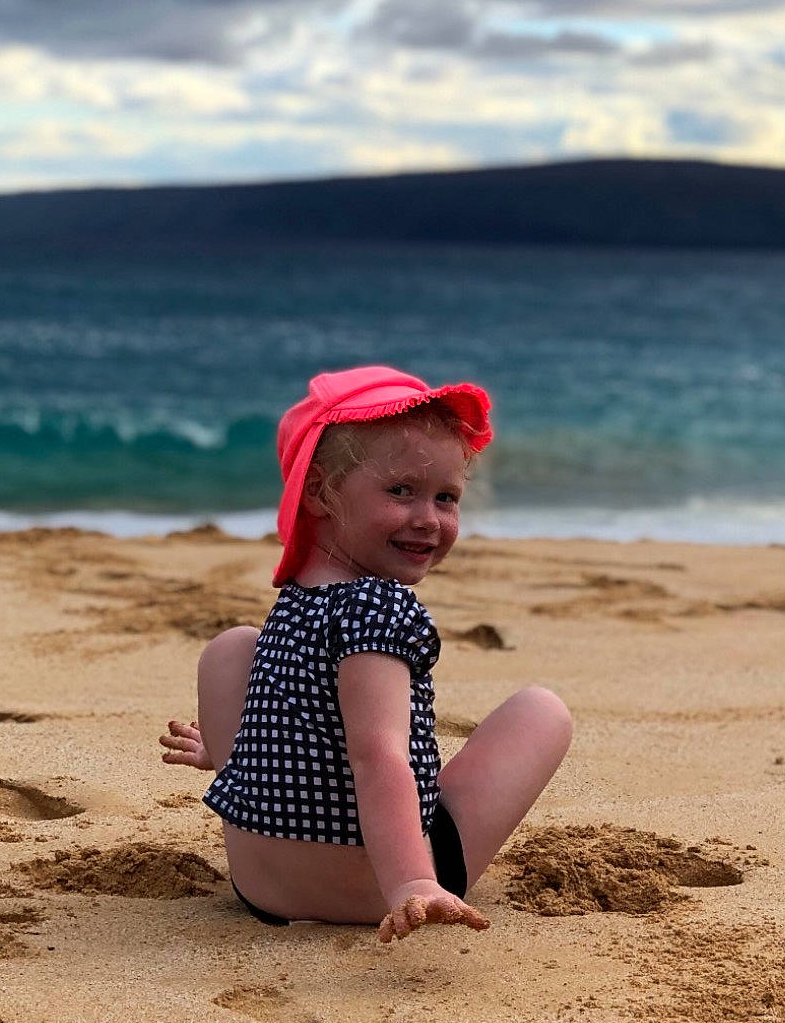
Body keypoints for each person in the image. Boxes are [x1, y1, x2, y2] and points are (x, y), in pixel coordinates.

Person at [159, 365, 572, 941]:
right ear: (319, 490)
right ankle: (410, 874)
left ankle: (254, 798)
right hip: (370, 892)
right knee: (541, 711)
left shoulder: (297, 602)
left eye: (446, 498)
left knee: (232, 649)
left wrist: (242, 747)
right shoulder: (378, 608)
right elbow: (378, 758)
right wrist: (410, 884)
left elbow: (313, 708)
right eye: (400, 491)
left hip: (261, 889)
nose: (428, 519)